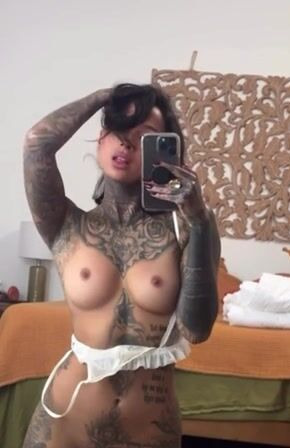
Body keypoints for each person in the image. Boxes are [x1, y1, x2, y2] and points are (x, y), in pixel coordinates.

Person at [21, 84, 220, 448]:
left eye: (144, 136)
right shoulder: (66, 225)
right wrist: (105, 96)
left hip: (147, 430)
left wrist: (200, 222)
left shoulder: (187, 228)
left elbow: (196, 330)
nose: (126, 143)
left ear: (164, 154)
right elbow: (37, 144)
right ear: (101, 140)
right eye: (117, 129)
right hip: (64, 423)